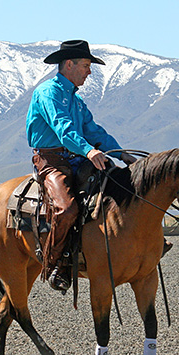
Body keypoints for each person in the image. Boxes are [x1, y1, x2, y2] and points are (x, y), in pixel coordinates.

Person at [26, 40, 137, 291]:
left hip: (78, 158)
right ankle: (53, 264)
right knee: (66, 209)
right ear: (69, 64)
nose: (89, 71)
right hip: (52, 161)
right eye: (86, 65)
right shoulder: (48, 93)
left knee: (122, 186)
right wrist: (89, 150)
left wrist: (121, 153)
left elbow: (93, 130)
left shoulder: (76, 101)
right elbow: (62, 128)